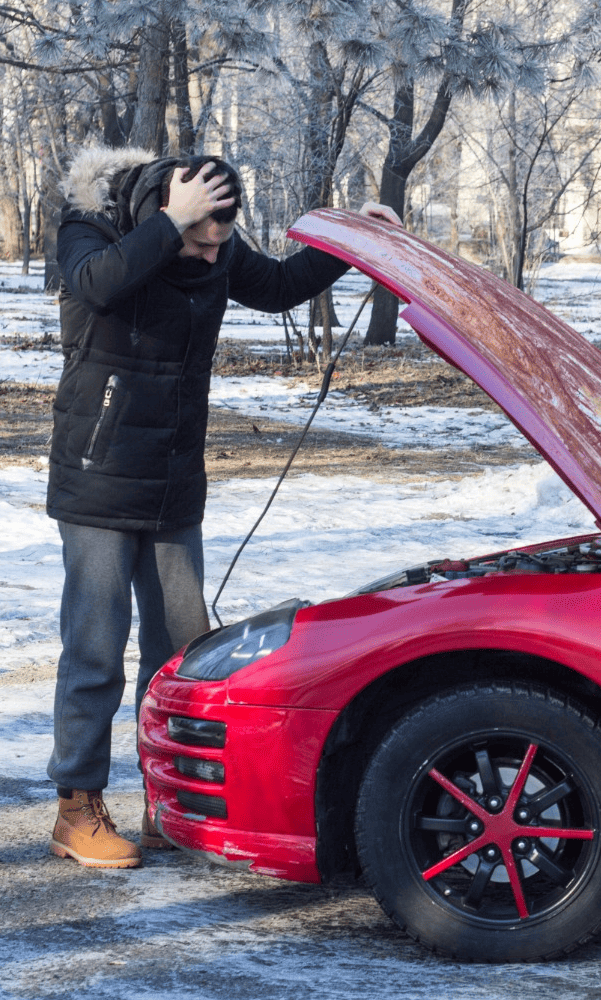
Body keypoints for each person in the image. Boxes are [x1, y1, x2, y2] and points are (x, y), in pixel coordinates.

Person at [46, 145, 401, 868]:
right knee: (94, 647)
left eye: (221, 241)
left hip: (174, 476)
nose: (213, 258)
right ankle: (75, 808)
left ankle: (165, 801)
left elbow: (277, 285)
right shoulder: (90, 230)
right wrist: (173, 224)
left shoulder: (211, 244)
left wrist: (352, 239)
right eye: (199, 239)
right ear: (162, 211)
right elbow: (99, 287)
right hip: (98, 474)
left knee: (183, 647)